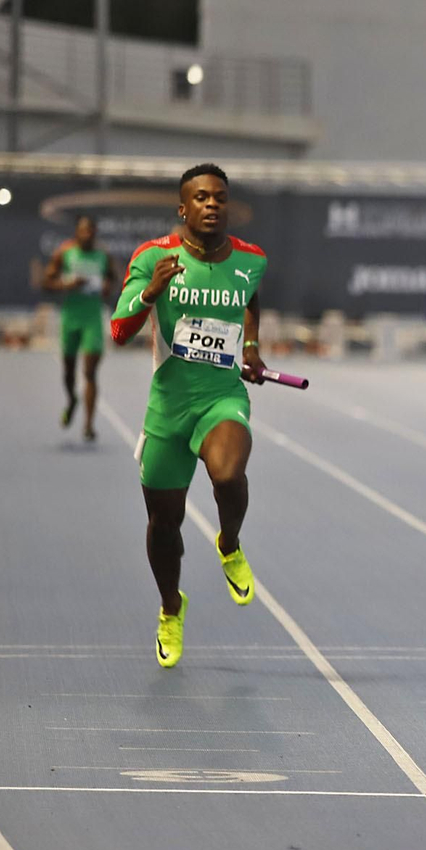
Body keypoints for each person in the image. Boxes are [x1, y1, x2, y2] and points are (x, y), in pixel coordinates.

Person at [110, 163, 271, 669]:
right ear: (183, 208)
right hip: (168, 408)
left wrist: (251, 347)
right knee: (164, 524)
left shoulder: (251, 260)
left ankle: (229, 543)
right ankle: (170, 607)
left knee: (228, 473)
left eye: (219, 197)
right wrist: (150, 292)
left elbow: (250, 299)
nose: (211, 204)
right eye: (201, 197)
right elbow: (119, 331)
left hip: (221, 398)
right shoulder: (153, 257)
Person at [42, 214, 115, 441]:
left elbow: (113, 280)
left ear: (95, 233)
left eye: (90, 231)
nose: (87, 234)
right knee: (68, 370)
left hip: (92, 318)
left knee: (90, 372)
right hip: (70, 318)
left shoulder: (103, 255)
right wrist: (67, 284)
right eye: (83, 230)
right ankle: (72, 399)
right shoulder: (64, 253)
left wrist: (107, 286)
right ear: (76, 232)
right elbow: (46, 282)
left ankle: (88, 425)